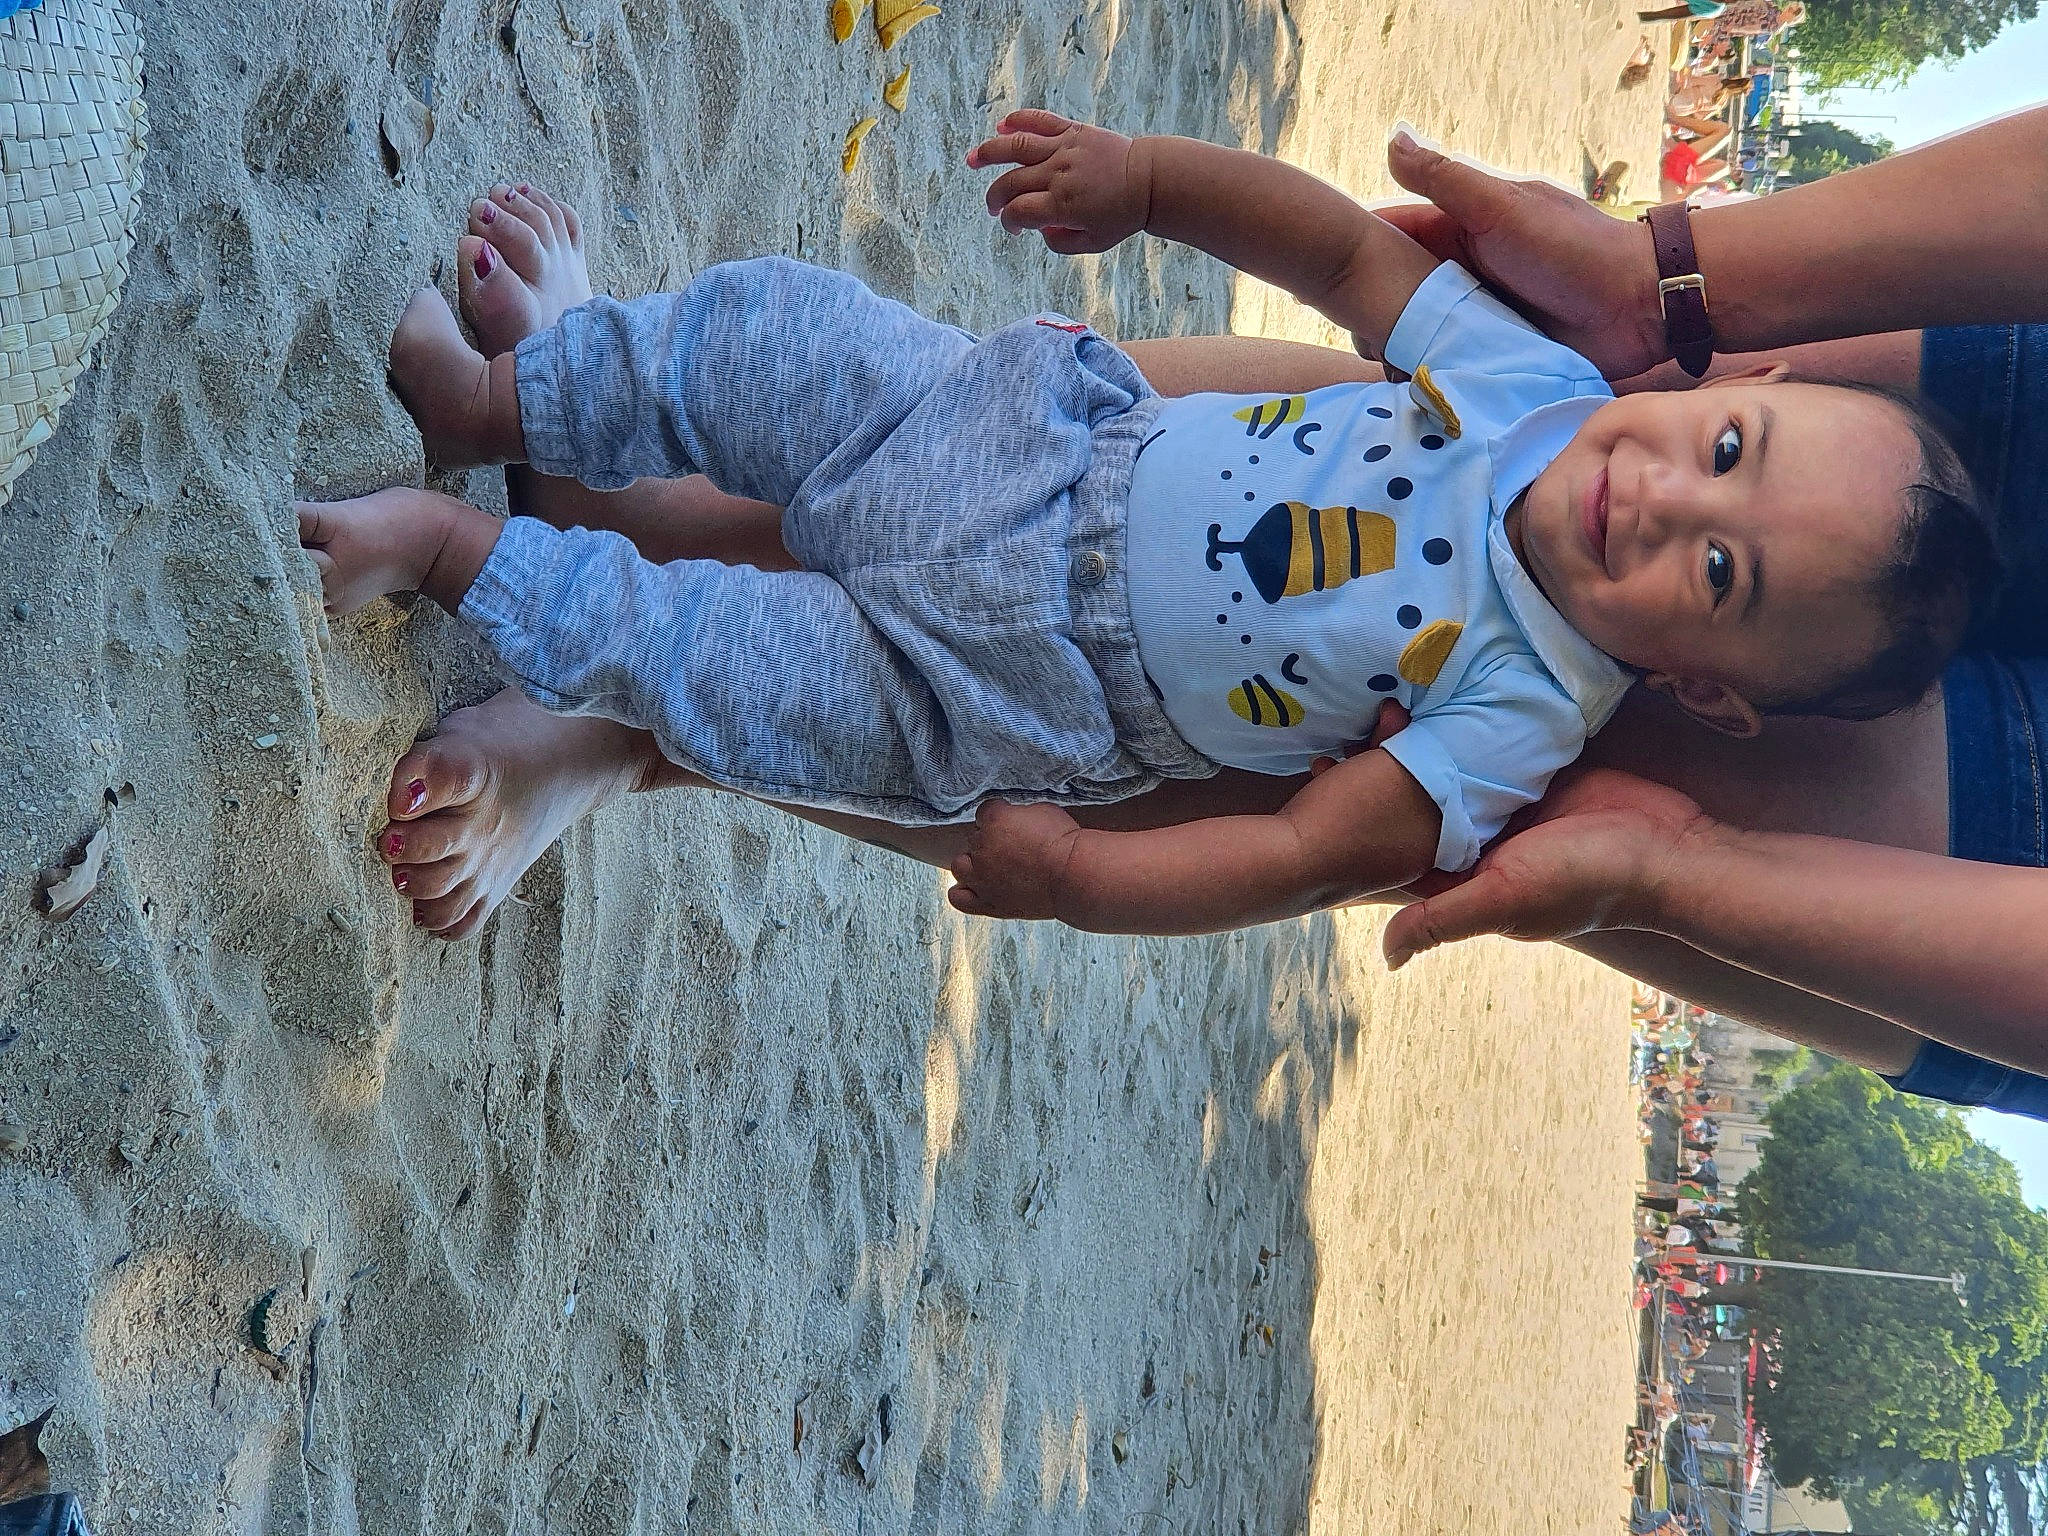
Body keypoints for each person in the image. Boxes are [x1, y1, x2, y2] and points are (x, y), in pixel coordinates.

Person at [295, 113, 1992, 939]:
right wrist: (1148, 178)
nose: (1671, 492)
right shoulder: (1528, 385)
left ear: (1709, 689)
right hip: (1016, 435)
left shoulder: (1520, 726)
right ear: (1729, 378)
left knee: (714, 666)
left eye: (1721, 568)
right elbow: (1342, 255)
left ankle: (454, 558)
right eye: (1729, 443)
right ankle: (502, 410)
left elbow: (1299, 851)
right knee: (770, 340)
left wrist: (1084, 882)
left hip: (996, 693)